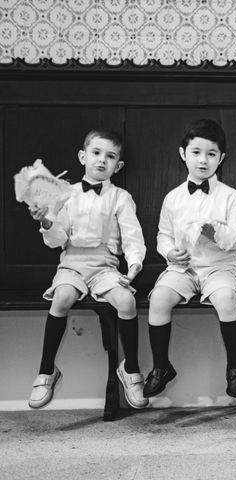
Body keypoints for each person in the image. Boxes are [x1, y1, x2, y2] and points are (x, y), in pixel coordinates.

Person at [27, 129, 147, 410]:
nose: (102, 161)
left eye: (110, 156)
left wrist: (134, 267)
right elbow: (57, 239)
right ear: (83, 157)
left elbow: (133, 237)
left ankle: (130, 368)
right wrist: (46, 222)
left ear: (118, 166)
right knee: (62, 297)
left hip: (105, 265)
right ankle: (46, 371)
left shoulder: (120, 197)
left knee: (126, 301)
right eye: (96, 153)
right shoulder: (65, 194)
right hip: (72, 263)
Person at [144, 119, 236, 399]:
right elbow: (163, 236)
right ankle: (160, 367)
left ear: (221, 159)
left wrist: (218, 234)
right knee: (159, 298)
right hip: (184, 269)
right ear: (183, 154)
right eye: (196, 152)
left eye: (211, 154)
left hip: (220, 268)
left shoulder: (231, 197)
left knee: (227, 299)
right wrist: (170, 252)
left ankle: (235, 369)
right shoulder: (173, 198)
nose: (203, 160)